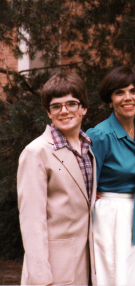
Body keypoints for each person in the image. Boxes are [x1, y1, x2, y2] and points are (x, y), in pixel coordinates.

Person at [17, 73, 96, 285]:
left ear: (84, 108)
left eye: (71, 103)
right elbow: (32, 222)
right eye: (56, 106)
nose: (64, 111)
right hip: (54, 271)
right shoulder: (36, 152)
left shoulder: (89, 149)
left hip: (86, 268)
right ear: (48, 112)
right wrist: (41, 278)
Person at [86, 66, 135, 286]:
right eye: (120, 92)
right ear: (110, 99)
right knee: (113, 276)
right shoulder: (99, 135)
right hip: (109, 217)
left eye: (133, 91)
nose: (128, 98)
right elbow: (85, 183)